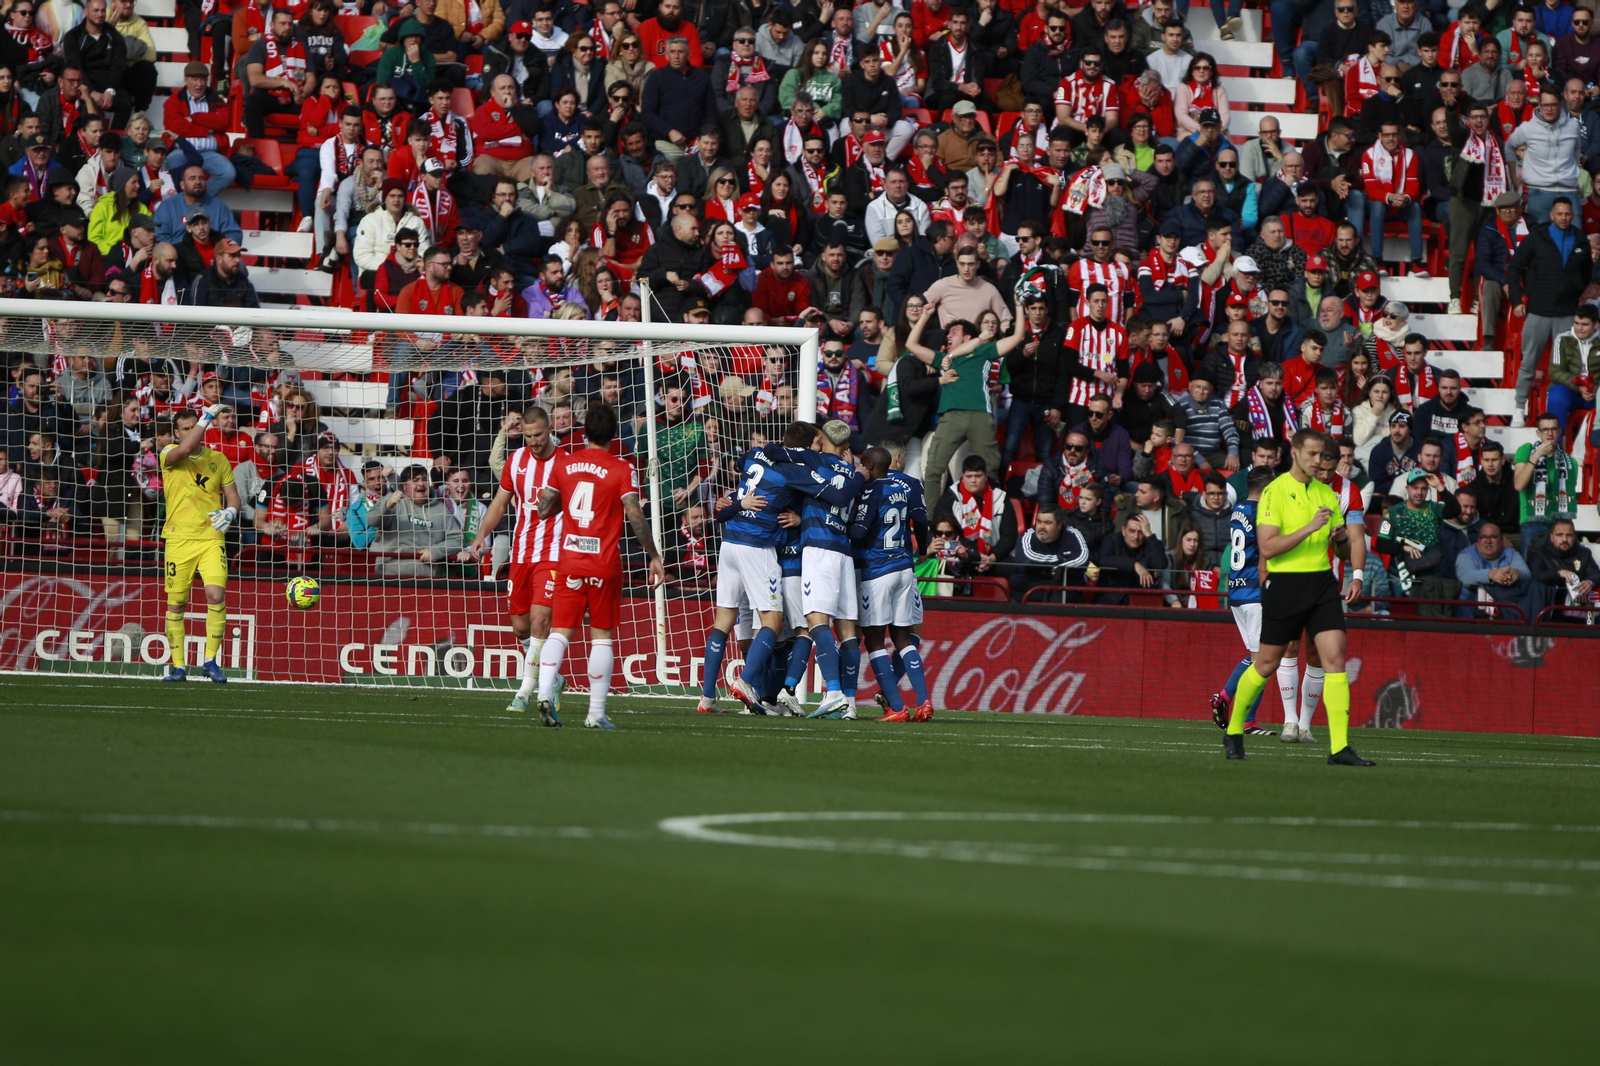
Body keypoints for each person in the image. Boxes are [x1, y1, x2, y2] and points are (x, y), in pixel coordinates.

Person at [1224, 429, 1372, 765]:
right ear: (1294, 452)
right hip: (1285, 584)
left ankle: (1339, 748)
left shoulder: (1327, 494)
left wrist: (1338, 539)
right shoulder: (1274, 492)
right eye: (1312, 454)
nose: (1318, 461)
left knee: (1335, 658)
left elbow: (1344, 550)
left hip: (1321, 583)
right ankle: (1233, 730)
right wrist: (1309, 528)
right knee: (1265, 663)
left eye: (1321, 455)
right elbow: (1268, 547)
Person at [533, 401, 665, 730]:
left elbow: (543, 510)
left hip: (570, 560)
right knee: (602, 637)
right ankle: (595, 713)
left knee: (560, 631)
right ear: (613, 434)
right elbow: (634, 515)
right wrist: (653, 555)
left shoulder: (564, 463)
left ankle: (544, 691)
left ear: (585, 431)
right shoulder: (622, 468)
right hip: (604, 563)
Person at [467, 405, 567, 715]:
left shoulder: (565, 463)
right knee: (521, 628)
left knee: (540, 622)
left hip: (553, 555)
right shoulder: (517, 460)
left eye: (538, 435)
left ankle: (526, 691)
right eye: (527, 436)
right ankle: (555, 679)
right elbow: (500, 502)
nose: (533, 441)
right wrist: (481, 534)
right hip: (521, 553)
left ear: (549, 429)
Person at [849, 445, 934, 722]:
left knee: (874, 642)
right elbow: (920, 519)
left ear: (871, 467)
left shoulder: (871, 490)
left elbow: (860, 531)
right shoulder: (904, 488)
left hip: (878, 570)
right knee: (903, 638)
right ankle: (923, 702)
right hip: (904, 568)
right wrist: (922, 546)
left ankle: (896, 707)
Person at [157, 404, 239, 683]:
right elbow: (183, 450)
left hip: (210, 540)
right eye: (186, 429)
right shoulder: (169, 454)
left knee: (216, 595)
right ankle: (179, 667)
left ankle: (210, 661)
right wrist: (206, 418)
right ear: (176, 433)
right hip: (178, 540)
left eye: (195, 427)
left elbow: (233, 496)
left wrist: (231, 512)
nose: (192, 433)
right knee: (176, 603)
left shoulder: (218, 459)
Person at [910, 302, 1023, 499]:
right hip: (951, 417)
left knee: (990, 471)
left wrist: (1019, 306)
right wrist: (925, 316)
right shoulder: (943, 359)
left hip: (980, 415)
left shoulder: (984, 352)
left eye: (953, 332)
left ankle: (991, 516)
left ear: (967, 337)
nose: (948, 336)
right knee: (933, 470)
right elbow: (911, 345)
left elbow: (1017, 337)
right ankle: (931, 524)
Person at [1210, 466, 1285, 736]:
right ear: (1267, 489)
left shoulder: (1239, 508)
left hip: (1237, 590)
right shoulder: (1262, 513)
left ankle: (1246, 716)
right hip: (1256, 592)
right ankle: (1229, 701)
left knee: (1257, 657)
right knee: (1264, 659)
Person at [1508, 196, 1592, 422]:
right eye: (1560, 214)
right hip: (1538, 312)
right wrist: (1517, 301)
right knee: (1529, 363)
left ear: (1572, 216)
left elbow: (1587, 273)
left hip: (1567, 314)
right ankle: (1519, 409)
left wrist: (1578, 290)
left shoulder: (1581, 241)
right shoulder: (1536, 238)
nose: (1564, 218)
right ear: (1551, 215)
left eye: (1567, 214)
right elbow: (1514, 268)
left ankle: (1561, 412)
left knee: (1568, 366)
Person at [1513, 410, 1578, 553]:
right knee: (1531, 567)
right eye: (1545, 430)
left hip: (1559, 523)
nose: (1550, 433)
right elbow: (1519, 485)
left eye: (1553, 429)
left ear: (1559, 432)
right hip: (1532, 521)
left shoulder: (1569, 462)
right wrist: (1536, 456)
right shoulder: (1526, 450)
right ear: (1538, 433)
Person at [1528, 517, 1600, 616]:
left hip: (1580, 611)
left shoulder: (1584, 553)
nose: (1564, 539)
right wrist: (1559, 573)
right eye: (1560, 535)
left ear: (1575, 537)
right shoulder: (1540, 553)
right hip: (1548, 611)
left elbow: (1596, 574)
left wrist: (1590, 582)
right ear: (1551, 537)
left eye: (1569, 535)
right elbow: (1536, 574)